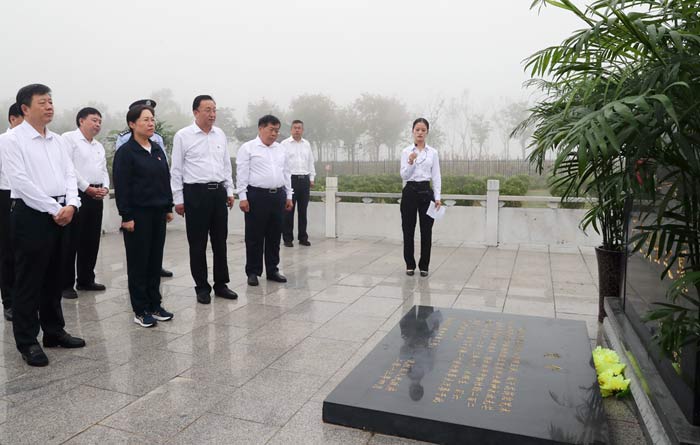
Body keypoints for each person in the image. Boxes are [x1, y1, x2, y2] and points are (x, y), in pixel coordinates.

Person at [4, 84, 86, 366]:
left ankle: (54, 331)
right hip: (32, 214)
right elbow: (20, 183)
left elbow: (69, 174)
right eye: (43, 102)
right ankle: (28, 341)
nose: (49, 106)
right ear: (25, 108)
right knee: (29, 280)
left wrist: (72, 204)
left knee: (55, 276)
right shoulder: (12, 140)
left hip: (63, 211)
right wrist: (55, 209)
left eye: (51, 101)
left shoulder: (58, 140)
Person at [171, 95, 237, 304]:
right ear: (196, 112)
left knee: (220, 241)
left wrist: (229, 190)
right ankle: (201, 286)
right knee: (197, 243)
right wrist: (178, 198)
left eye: (214, 110)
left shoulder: (220, 135)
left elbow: (226, 165)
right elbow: (176, 170)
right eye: (208, 110)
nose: (212, 114)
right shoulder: (183, 136)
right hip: (195, 193)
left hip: (218, 192)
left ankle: (221, 284)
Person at [113, 104, 174, 328]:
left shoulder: (156, 149)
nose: (151, 123)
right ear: (132, 124)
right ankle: (140, 309)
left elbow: (164, 179)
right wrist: (126, 216)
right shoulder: (126, 152)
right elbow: (122, 186)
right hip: (137, 215)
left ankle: (155, 305)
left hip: (158, 213)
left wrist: (168, 207)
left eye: (152, 119)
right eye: (145, 120)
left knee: (154, 261)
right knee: (139, 263)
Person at [236, 115, 293, 286]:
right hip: (256, 196)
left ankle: (272, 269)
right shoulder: (248, 148)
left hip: (278, 196)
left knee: (275, 235)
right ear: (261, 128)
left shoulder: (281, 149)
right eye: (271, 130)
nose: (274, 133)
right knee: (254, 236)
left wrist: (289, 195)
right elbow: (242, 174)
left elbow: (286, 173)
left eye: (277, 130)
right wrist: (243, 197)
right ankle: (253, 271)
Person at [61, 107, 109, 299]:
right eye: (94, 120)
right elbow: (68, 167)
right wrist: (86, 186)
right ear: (81, 120)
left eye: (99, 121)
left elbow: (104, 169)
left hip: (96, 196)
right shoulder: (69, 139)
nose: (97, 124)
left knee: (91, 240)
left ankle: (86, 279)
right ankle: (65, 284)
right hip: (77, 195)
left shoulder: (98, 145)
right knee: (72, 241)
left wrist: (105, 187)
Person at [399, 118, 442, 277]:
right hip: (410, 191)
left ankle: (424, 265)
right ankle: (409, 264)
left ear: (427, 132)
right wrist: (410, 161)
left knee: (426, 231)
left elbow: (436, 176)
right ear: (413, 131)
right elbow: (403, 175)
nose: (420, 133)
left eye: (423, 130)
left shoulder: (433, 153)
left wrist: (437, 196)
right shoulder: (406, 152)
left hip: (426, 192)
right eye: (417, 129)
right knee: (408, 230)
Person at [0, 103, 24, 321]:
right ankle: (9, 302)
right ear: (13, 119)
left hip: (27, 197)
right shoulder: (3, 142)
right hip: (6, 195)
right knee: (7, 252)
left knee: (25, 252)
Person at [281, 120, 315, 247]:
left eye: (299, 128)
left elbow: (310, 161)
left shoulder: (307, 144)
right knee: (288, 210)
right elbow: (282, 164)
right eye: (295, 128)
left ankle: (303, 237)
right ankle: (287, 238)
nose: (297, 130)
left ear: (302, 130)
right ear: (291, 130)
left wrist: (312, 177)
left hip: (304, 179)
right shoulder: (284, 144)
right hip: (291, 180)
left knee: (303, 211)